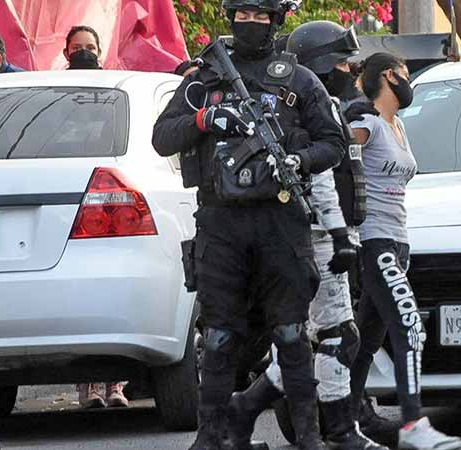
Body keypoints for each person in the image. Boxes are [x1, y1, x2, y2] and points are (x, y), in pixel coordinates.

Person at [151, 0, 346, 448]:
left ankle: (310, 436)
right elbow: (162, 138)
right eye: (244, 16)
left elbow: (332, 142)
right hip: (221, 223)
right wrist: (204, 118)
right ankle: (210, 438)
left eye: (261, 17)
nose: (251, 25)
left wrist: (299, 159)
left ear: (276, 22)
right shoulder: (203, 79)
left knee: (293, 334)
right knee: (218, 337)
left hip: (280, 220)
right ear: (231, 19)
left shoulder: (299, 80)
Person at [225, 20, 387, 450]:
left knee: (318, 339)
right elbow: (320, 181)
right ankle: (338, 429)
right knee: (334, 336)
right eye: (340, 62)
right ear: (319, 65)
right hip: (313, 235)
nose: (350, 71)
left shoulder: (326, 104)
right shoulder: (311, 110)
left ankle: (247, 408)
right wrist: (338, 234)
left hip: (321, 233)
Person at [347, 52, 461, 450]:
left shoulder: (397, 127)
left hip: (399, 242)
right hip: (374, 240)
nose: (408, 82)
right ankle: (413, 422)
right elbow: (333, 145)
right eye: (405, 75)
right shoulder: (367, 124)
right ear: (387, 76)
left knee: (364, 340)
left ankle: (341, 418)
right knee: (410, 327)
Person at [62, 24, 129, 410]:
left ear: (100, 50)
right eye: (77, 47)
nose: (84, 52)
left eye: (90, 47)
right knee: (77, 298)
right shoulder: (56, 88)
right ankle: (87, 388)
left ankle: (116, 386)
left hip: (109, 198)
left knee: (111, 294)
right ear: (66, 52)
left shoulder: (113, 89)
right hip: (70, 195)